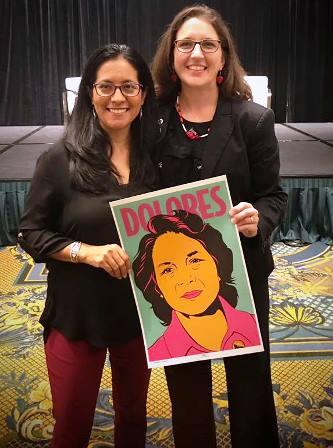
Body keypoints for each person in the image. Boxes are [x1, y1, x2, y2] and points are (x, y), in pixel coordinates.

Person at [151, 4, 287, 448]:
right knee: (186, 387)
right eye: (186, 44)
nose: (196, 53)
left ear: (223, 57)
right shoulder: (150, 121)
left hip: (240, 276)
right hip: (176, 284)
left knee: (250, 385)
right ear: (172, 55)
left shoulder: (253, 120)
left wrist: (256, 220)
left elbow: (273, 196)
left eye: (208, 44)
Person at [18, 43, 158, 448]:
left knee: (133, 417)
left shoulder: (158, 159)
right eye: (106, 87)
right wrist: (87, 252)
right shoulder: (59, 158)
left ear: (144, 94)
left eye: (129, 87)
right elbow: (31, 233)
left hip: (141, 313)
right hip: (78, 314)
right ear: (89, 93)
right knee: (72, 424)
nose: (118, 98)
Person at [133, 209, 261, 361]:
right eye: (168, 270)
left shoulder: (252, 326)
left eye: (194, 261)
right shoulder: (159, 352)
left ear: (218, 266)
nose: (186, 279)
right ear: (156, 287)